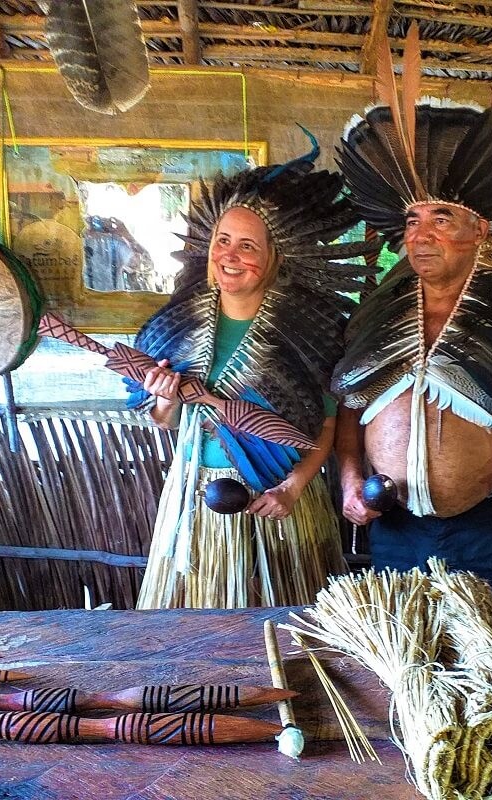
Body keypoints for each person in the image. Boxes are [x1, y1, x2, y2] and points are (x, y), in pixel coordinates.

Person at [333, 96, 492, 590]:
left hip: (489, 528)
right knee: (403, 658)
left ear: (479, 230)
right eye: (411, 222)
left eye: (441, 218)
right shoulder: (375, 317)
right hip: (394, 525)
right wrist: (348, 481)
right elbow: (349, 413)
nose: (421, 236)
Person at [125, 140, 376, 608]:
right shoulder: (175, 324)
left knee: (288, 635)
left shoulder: (310, 330)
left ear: (276, 256)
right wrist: (165, 400)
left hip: (280, 504)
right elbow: (167, 422)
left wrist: (293, 486)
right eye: (223, 240)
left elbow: (326, 423)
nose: (230, 255)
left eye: (247, 245)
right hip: (195, 503)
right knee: (196, 636)